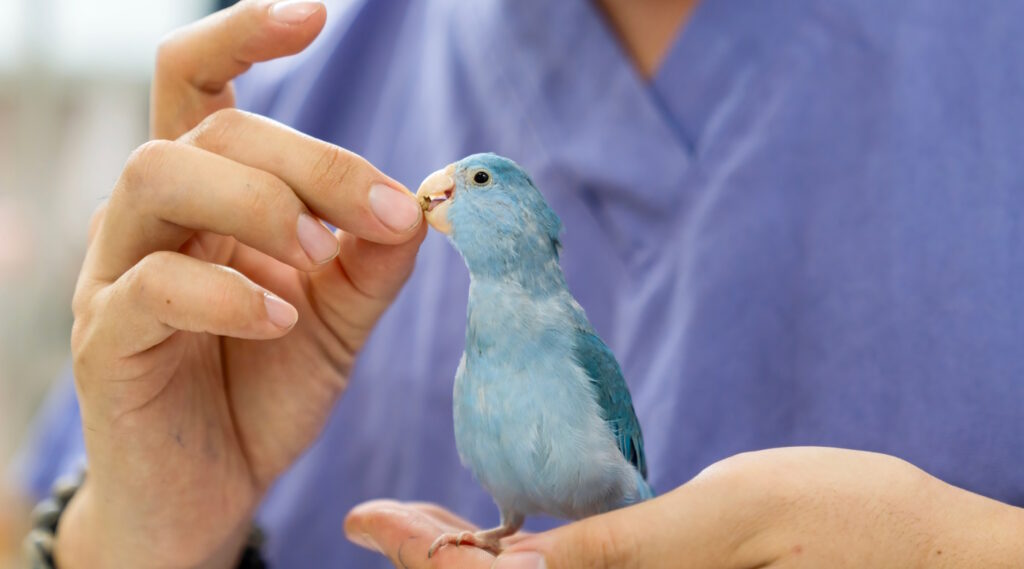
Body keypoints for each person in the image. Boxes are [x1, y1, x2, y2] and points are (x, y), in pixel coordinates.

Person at [12, 0, 1024, 567]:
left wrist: (966, 550)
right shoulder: (248, 146)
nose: (445, 190)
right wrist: (133, 545)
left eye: (474, 183)